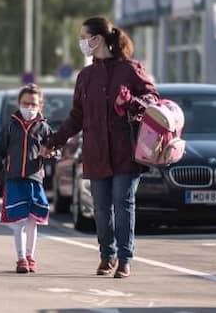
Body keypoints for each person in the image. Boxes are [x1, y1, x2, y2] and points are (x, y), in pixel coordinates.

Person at [45, 17, 159, 279]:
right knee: (100, 207)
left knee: (123, 203)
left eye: (84, 36)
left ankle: (124, 259)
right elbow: (76, 116)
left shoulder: (131, 69)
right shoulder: (85, 76)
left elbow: (153, 99)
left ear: (98, 39)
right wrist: (54, 141)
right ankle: (106, 255)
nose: (81, 42)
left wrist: (132, 102)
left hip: (125, 151)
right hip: (96, 152)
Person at [0, 84, 54, 274]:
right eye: (25, 103)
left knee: (32, 222)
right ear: (18, 103)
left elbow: (54, 149)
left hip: (34, 180)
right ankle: (20, 259)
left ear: (40, 104)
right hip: (14, 179)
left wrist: (51, 152)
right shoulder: (10, 125)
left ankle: (30, 257)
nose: (29, 107)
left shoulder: (43, 127)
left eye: (33, 104)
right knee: (18, 222)